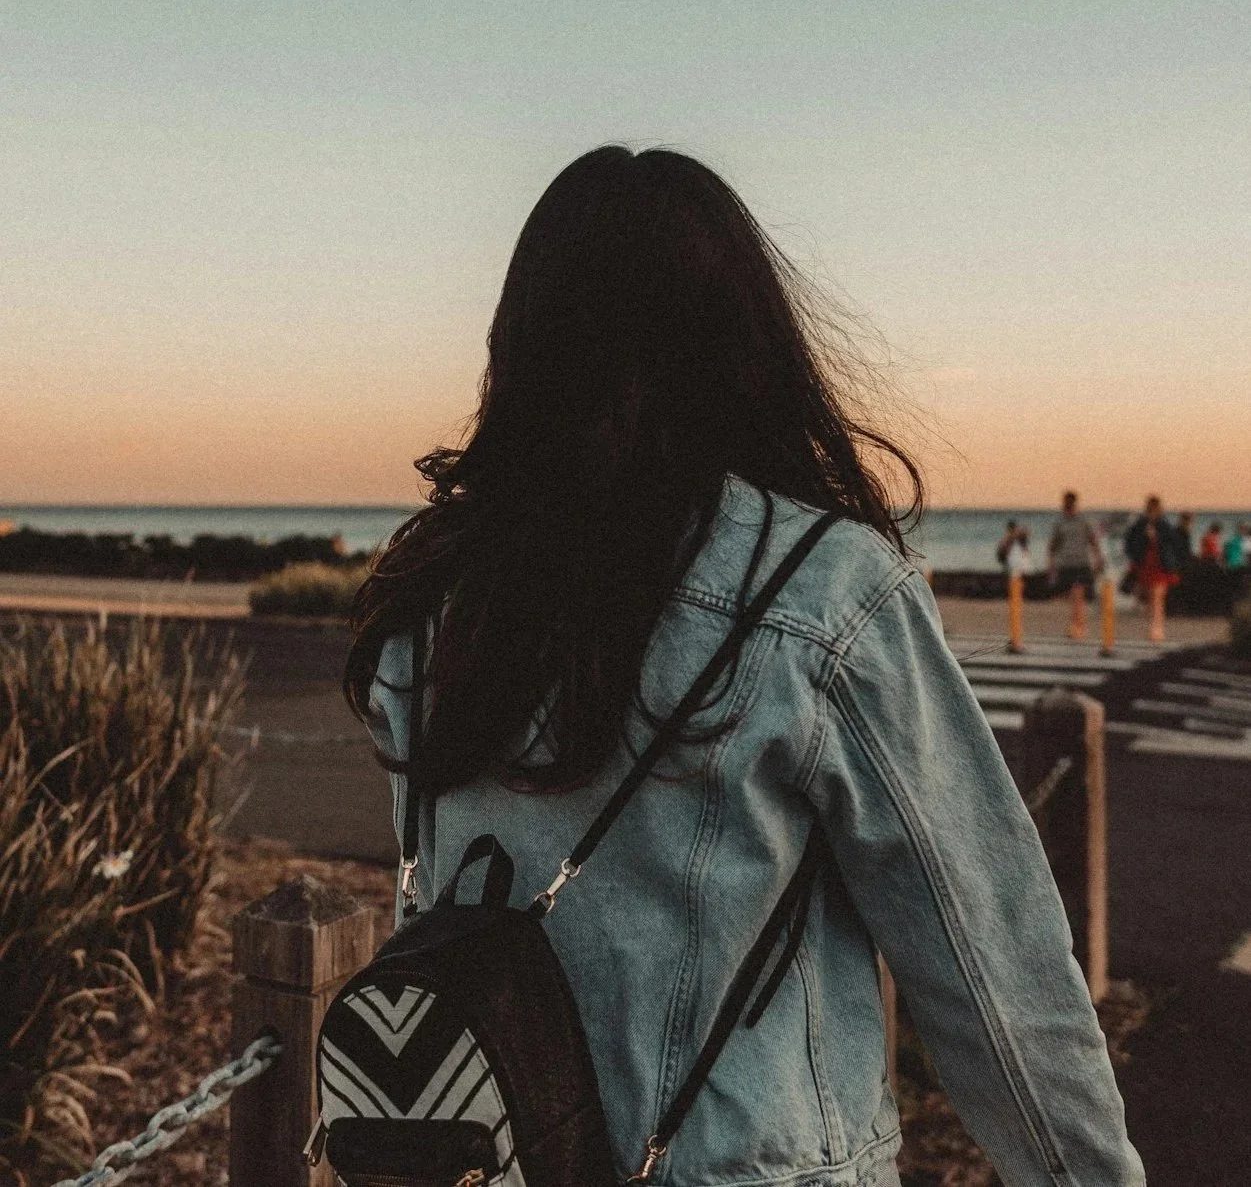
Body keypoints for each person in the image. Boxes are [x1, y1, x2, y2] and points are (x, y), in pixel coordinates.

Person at [346, 147, 1143, 1187]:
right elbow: (996, 980)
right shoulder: (822, 591)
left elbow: (432, 911)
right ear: (746, 342)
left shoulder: (439, 589)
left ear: (525, 344)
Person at [1124, 495, 1183, 643]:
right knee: (1151, 598)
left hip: (1161, 565)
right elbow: (1130, 541)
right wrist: (1134, 555)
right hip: (1146, 564)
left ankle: (1157, 629)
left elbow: (1174, 543)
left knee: (1157, 597)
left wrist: (1156, 538)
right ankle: (1154, 627)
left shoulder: (1164, 525)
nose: (1152, 512)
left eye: (1154, 509)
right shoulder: (1140, 524)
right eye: (1150, 509)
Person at [1048, 491, 1104, 640]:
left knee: (1077, 594)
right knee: (1072, 596)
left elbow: (1093, 541)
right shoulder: (1059, 522)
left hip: (1081, 562)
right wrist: (1051, 565)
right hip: (1066, 563)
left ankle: (1077, 627)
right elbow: (1053, 545)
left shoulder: (1084, 521)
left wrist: (1098, 559)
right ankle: (1079, 625)